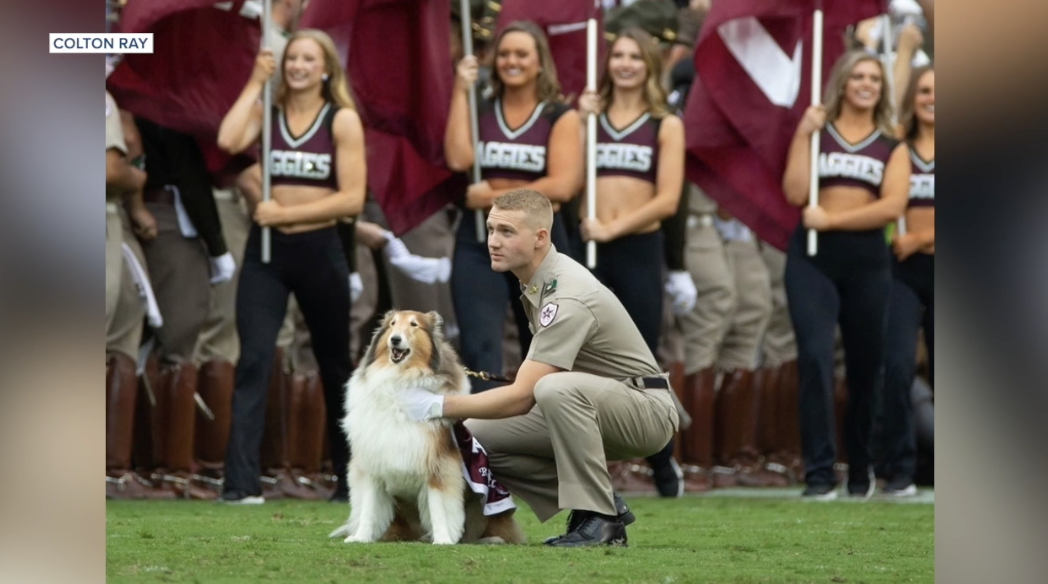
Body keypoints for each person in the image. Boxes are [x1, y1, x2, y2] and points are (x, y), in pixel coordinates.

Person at [399, 189, 678, 547]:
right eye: (491, 229)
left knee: (552, 389)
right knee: (473, 437)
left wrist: (436, 405)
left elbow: (521, 397)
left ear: (540, 237)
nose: (493, 241)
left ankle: (602, 520)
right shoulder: (540, 279)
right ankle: (601, 501)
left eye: (507, 232)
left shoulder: (566, 292)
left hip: (646, 412)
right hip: (596, 403)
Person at [216, 29, 366, 504]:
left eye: (308, 59)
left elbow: (351, 199)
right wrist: (254, 82)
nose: (298, 65)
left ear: (325, 69)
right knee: (255, 359)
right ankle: (240, 483)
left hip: (320, 250)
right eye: (292, 58)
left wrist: (285, 214)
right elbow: (227, 139)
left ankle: (350, 479)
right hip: (267, 255)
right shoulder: (270, 110)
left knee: (334, 363)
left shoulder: (341, 120)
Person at [781, 50, 911, 499]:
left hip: (867, 264)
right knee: (815, 358)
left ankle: (860, 466)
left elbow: (892, 206)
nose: (866, 84)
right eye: (858, 76)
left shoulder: (891, 145)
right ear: (842, 82)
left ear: (882, 87)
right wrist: (803, 133)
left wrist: (833, 220)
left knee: (864, 368)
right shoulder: (818, 134)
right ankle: (818, 472)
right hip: (812, 259)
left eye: (874, 78)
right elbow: (795, 192)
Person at [444, 21, 582, 393]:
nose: (511, 61)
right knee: (480, 348)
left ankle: (539, 428)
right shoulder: (480, 108)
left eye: (522, 54)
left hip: (539, 247)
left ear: (540, 63)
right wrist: (460, 90)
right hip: (480, 240)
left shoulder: (559, 115)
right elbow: (458, 158)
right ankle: (485, 429)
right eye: (504, 54)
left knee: (544, 350)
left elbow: (562, 185)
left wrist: (492, 198)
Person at [576, 28, 685, 497]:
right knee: (582, 357)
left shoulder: (666, 123)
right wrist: (581, 126)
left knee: (640, 360)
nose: (625, 64)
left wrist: (614, 228)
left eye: (635, 57)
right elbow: (571, 180)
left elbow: (667, 200)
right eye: (618, 55)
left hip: (638, 250)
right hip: (589, 251)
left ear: (650, 66)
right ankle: (593, 466)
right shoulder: (591, 118)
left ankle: (662, 460)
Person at [879, 65, 934, 497]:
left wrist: (920, 237)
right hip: (900, 272)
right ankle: (900, 467)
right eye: (925, 90)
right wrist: (904, 52)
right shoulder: (896, 147)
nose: (933, 98)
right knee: (896, 366)